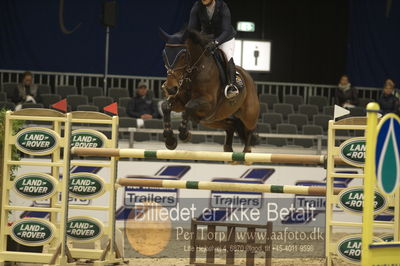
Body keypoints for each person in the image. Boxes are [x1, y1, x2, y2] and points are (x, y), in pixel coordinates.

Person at [187, 0, 238, 99]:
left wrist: (216, 43)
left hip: (225, 38)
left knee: (227, 56)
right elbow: (192, 28)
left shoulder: (223, 7)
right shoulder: (197, 6)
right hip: (207, 37)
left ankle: (232, 86)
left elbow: (226, 30)